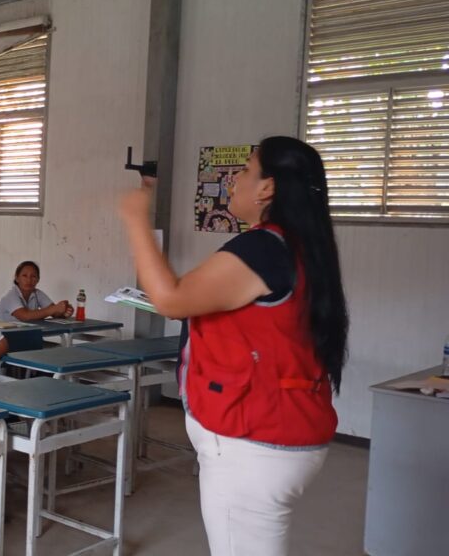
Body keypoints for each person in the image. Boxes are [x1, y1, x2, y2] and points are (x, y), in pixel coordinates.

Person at [117, 137, 348, 556]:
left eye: (245, 170)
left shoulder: (263, 248)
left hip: (252, 444)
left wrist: (136, 220)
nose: (234, 180)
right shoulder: (298, 248)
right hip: (283, 433)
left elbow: (171, 298)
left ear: (267, 188)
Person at [0, 261, 74, 323]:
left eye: (33, 276)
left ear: (38, 280)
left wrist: (63, 312)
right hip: (4, 339)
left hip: (26, 335)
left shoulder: (37, 293)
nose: (29, 280)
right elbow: (25, 316)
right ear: (17, 278)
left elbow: (54, 313)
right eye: (24, 276)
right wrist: (55, 308)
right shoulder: (10, 296)